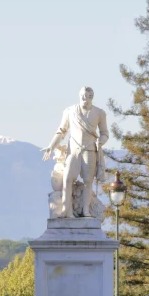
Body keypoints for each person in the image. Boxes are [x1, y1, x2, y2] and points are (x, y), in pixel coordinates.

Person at [41, 86, 109, 217]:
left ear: (91, 97)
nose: (85, 99)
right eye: (83, 96)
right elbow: (61, 131)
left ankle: (86, 210)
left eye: (88, 96)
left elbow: (105, 133)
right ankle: (67, 210)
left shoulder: (99, 113)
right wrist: (51, 146)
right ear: (80, 96)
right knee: (67, 178)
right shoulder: (70, 111)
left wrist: (100, 142)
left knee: (88, 181)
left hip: (89, 150)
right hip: (73, 149)